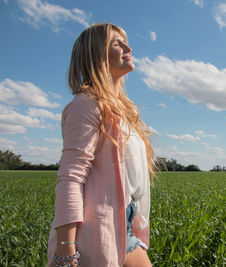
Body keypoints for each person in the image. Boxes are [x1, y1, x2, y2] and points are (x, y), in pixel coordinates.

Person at [47, 23, 154, 267]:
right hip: (96, 232)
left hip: (123, 226)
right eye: (117, 43)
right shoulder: (87, 104)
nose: (128, 47)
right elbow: (71, 178)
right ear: (97, 55)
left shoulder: (122, 111)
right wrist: (66, 250)